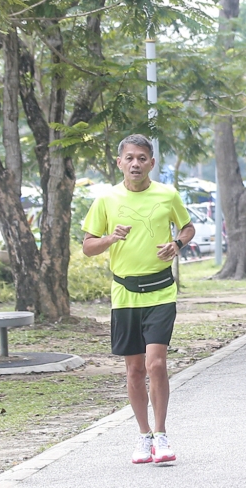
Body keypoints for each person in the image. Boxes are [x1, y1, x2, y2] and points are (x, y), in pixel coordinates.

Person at [82, 134, 195, 465]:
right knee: (134, 370)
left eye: (142, 158)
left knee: (155, 363)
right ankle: (143, 436)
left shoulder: (167, 195)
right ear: (119, 163)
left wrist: (177, 243)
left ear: (151, 163)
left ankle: (161, 434)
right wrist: (109, 237)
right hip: (125, 294)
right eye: (129, 158)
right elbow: (88, 246)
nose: (135, 163)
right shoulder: (105, 201)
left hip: (161, 289)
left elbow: (187, 227)